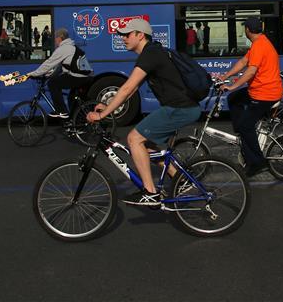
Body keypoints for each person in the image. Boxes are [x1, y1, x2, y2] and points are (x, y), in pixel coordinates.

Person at [86, 18, 200, 206]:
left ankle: (150, 193)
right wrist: (108, 107)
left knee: (134, 139)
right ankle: (182, 180)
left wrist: (101, 115)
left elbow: (126, 88)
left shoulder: (150, 54)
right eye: (122, 35)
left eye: (127, 34)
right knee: (148, 150)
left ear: (140, 35)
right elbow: (131, 90)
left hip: (179, 108)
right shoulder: (151, 52)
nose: (123, 38)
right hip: (181, 107)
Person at [220, 17, 283, 177]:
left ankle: (257, 162)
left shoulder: (260, 45)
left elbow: (250, 71)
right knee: (233, 99)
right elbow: (243, 62)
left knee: (246, 126)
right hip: (257, 91)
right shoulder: (259, 42)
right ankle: (242, 132)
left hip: (265, 94)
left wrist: (232, 85)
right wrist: (225, 76)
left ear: (248, 30)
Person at [26, 27, 91, 118]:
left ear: (60, 38)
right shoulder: (71, 47)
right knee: (72, 99)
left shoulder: (64, 49)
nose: (55, 41)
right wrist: (49, 74)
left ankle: (61, 111)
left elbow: (48, 64)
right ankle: (75, 123)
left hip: (78, 77)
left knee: (53, 83)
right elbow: (61, 66)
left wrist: (33, 73)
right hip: (84, 77)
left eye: (55, 38)